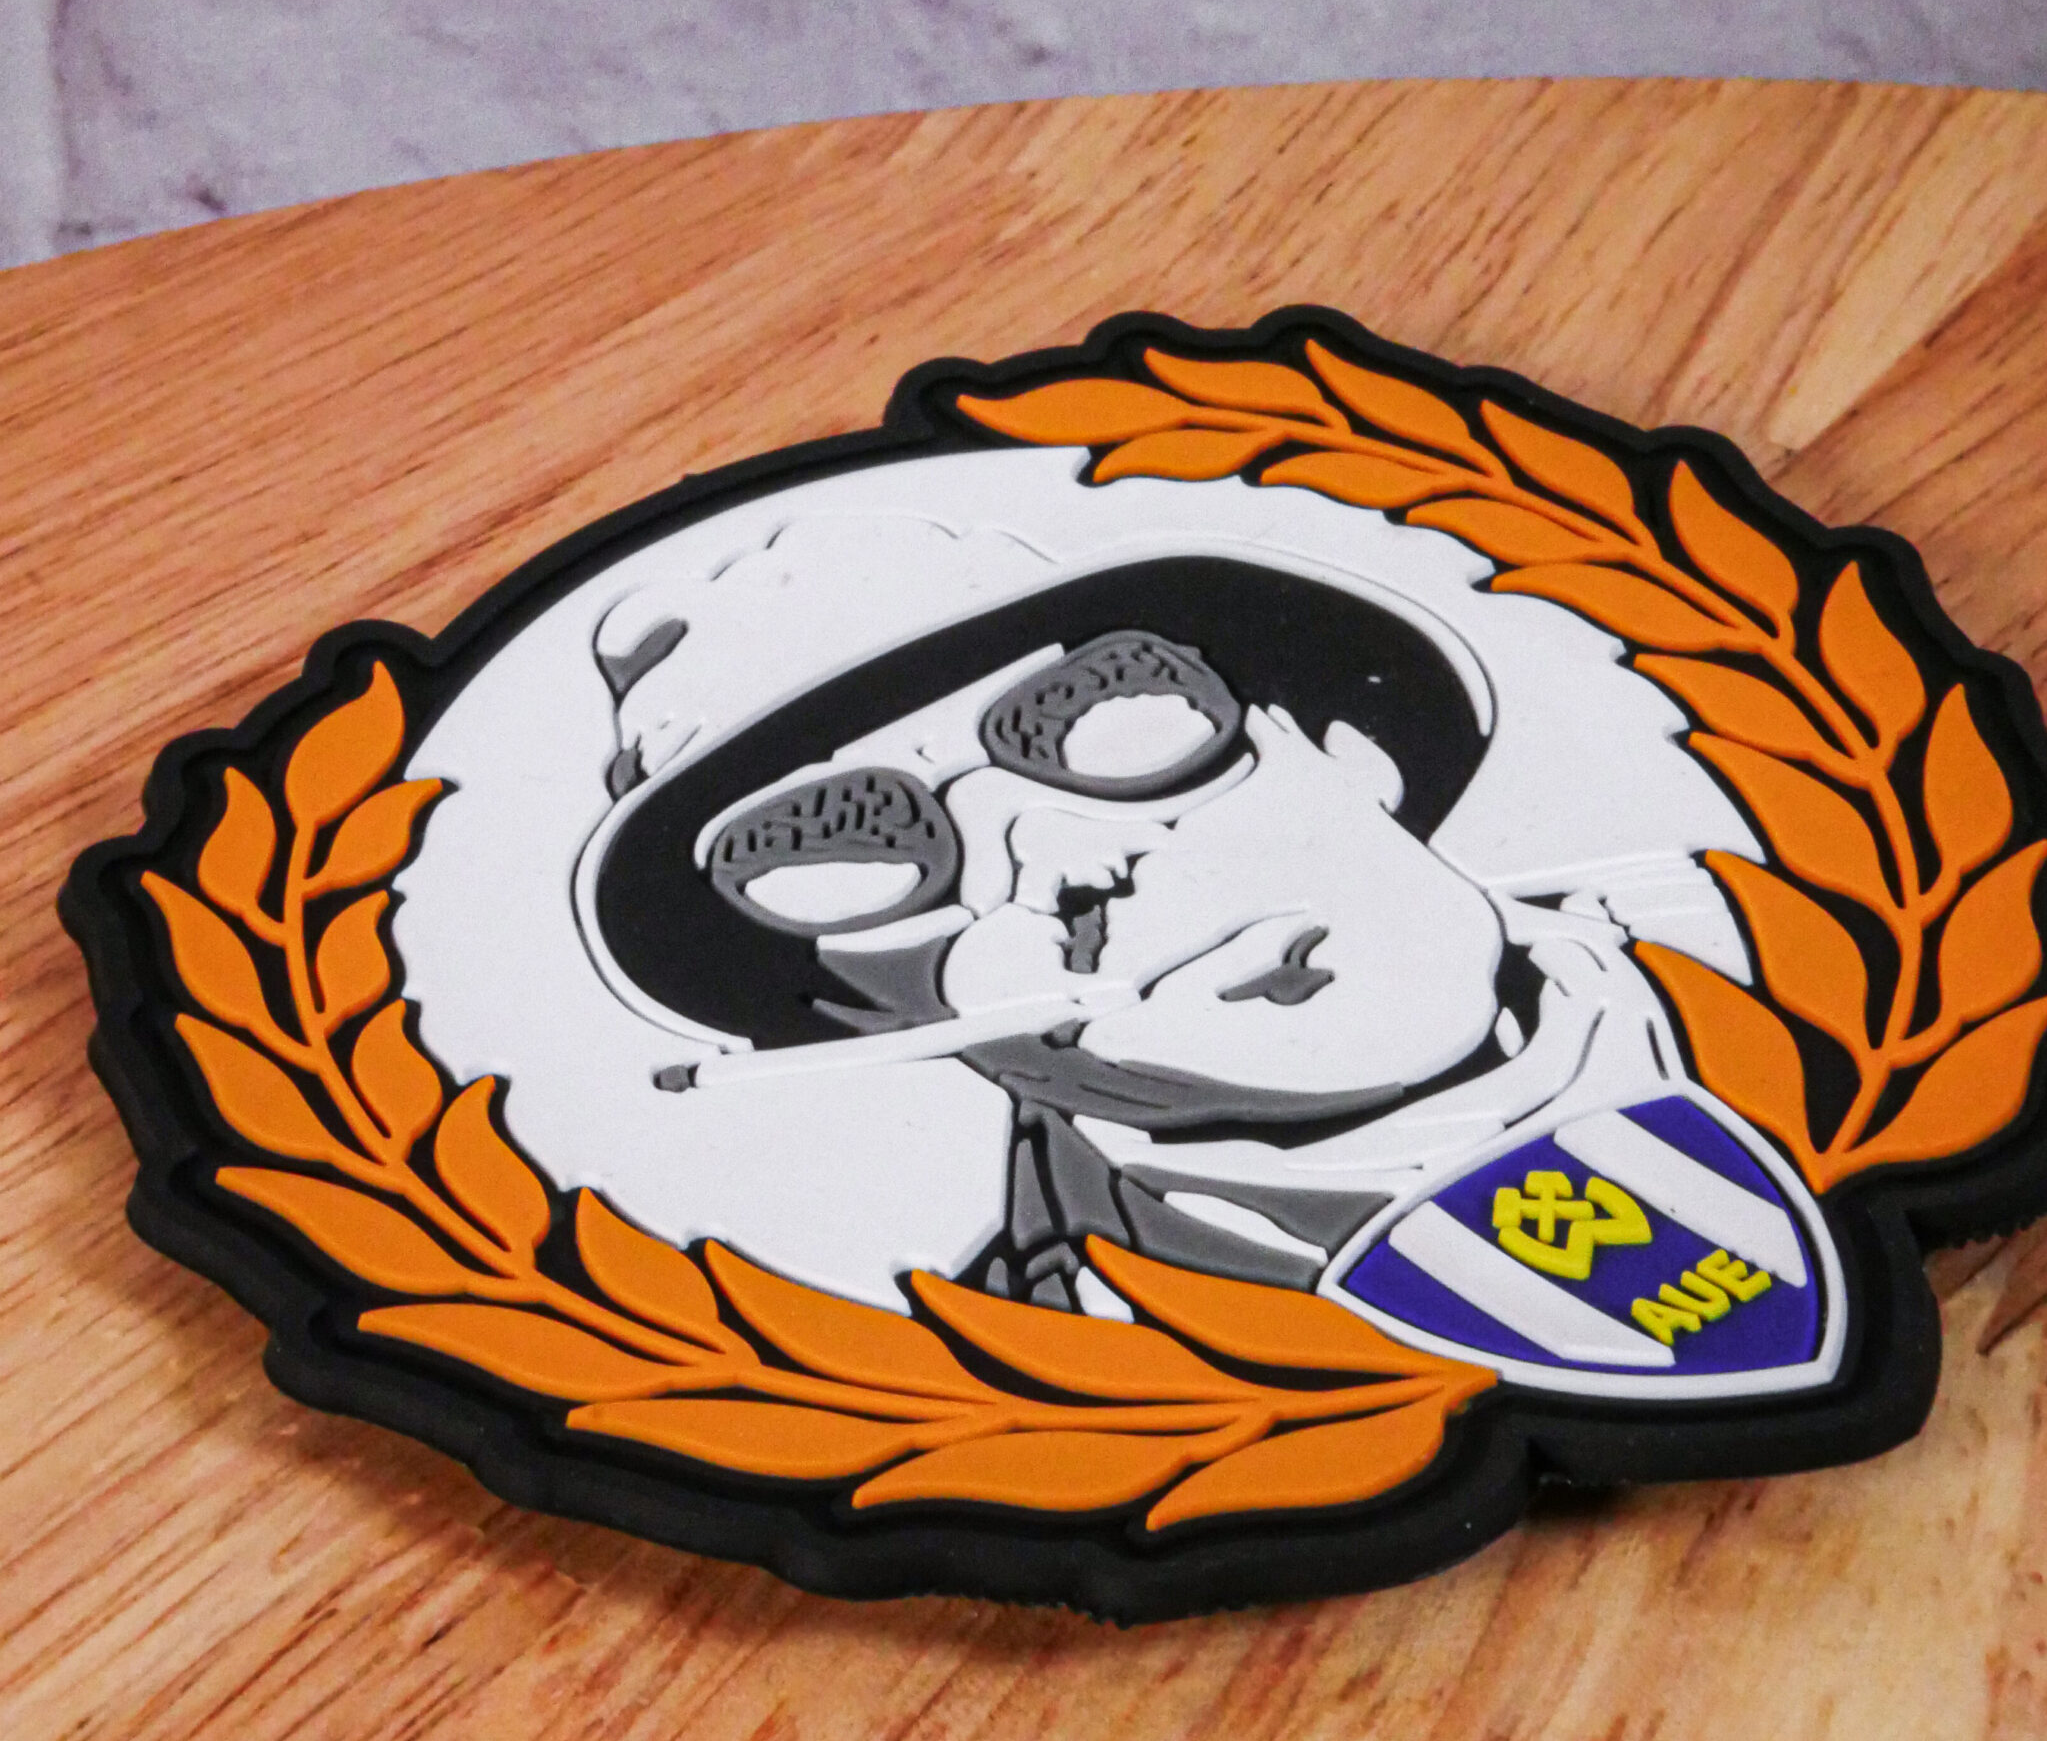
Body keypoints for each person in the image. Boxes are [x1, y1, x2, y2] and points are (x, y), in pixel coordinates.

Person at [395, 441, 1840, 1396]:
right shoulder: (1028, 1367)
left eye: (1109, 717)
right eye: (848, 850)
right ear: (853, 1011)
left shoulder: (1791, 960)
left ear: (1343, 745)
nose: (1072, 865)